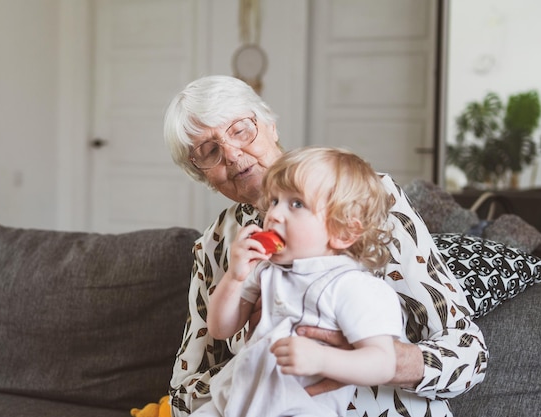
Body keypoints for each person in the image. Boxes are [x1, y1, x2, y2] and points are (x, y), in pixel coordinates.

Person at [164, 75, 488, 417]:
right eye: (208, 151)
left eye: (241, 129)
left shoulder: (363, 200)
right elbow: (186, 387)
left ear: (271, 126)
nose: (231, 153)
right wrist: (255, 363)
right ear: (202, 175)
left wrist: (359, 358)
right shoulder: (217, 245)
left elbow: (467, 354)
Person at [191, 147, 403, 417]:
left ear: (344, 231)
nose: (275, 214)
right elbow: (220, 329)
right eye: (275, 201)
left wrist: (323, 359)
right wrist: (235, 276)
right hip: (231, 402)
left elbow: (383, 363)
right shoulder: (266, 270)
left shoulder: (354, 287)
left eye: (297, 204)